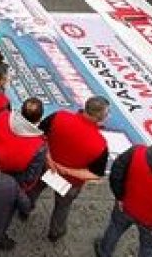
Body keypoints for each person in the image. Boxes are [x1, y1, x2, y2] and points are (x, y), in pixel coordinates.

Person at [37, 96, 111, 242]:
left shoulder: (59, 116)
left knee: (33, 190)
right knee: (62, 207)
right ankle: (55, 232)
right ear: (100, 116)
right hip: (69, 182)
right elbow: (95, 174)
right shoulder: (100, 144)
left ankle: (24, 209)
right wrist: (66, 171)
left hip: (46, 167)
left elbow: (39, 135)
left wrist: (49, 158)